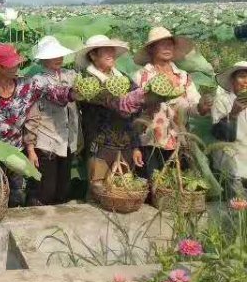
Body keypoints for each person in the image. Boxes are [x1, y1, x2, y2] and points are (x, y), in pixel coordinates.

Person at [0, 43, 73, 207]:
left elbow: (51, 92)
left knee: (15, 199)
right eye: (12, 63)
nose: (17, 66)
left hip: (15, 152)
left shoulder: (27, 86)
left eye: (17, 62)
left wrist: (72, 93)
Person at [133, 27, 211, 180]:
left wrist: (202, 107)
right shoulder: (141, 76)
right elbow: (132, 111)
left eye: (170, 44)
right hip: (149, 142)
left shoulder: (183, 77)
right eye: (161, 44)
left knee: (176, 188)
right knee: (152, 189)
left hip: (179, 141)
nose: (167, 47)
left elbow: (193, 106)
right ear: (151, 49)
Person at [75, 34, 145, 196]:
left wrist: (135, 145)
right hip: (100, 146)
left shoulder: (124, 78)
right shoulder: (86, 80)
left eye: (111, 50)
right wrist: (132, 100)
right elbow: (116, 104)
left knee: (122, 192)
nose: (111, 54)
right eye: (105, 51)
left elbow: (136, 113)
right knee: (98, 192)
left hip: (125, 145)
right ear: (93, 55)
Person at [23, 36, 79, 206]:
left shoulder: (71, 76)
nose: (58, 58)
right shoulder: (38, 81)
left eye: (59, 55)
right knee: (44, 191)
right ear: (43, 59)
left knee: (63, 189)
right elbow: (57, 96)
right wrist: (30, 148)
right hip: (46, 142)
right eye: (53, 55)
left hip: (67, 141)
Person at [211, 61, 247, 196]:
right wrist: (233, 114)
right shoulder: (222, 100)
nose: (246, 81)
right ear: (233, 79)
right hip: (231, 163)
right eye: (242, 76)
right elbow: (221, 134)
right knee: (237, 207)